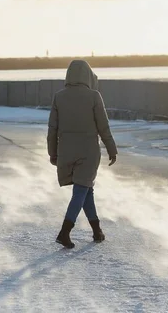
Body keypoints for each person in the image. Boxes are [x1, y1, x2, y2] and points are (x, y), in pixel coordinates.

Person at [47, 60, 118, 248]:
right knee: (81, 190)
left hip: (66, 151)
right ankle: (64, 232)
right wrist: (112, 149)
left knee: (86, 189)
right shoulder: (94, 96)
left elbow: (52, 129)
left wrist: (53, 153)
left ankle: (97, 231)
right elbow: (103, 127)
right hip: (89, 152)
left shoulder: (59, 97)